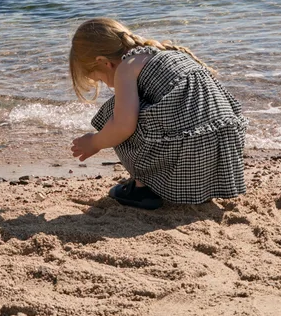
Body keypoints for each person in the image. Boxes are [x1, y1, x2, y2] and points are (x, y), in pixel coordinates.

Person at [68, 18, 247, 209]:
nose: (107, 85)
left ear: (103, 62)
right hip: (224, 148)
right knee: (151, 108)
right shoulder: (166, 53)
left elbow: (123, 126)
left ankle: (143, 188)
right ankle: (196, 187)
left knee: (114, 112)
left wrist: (94, 142)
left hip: (191, 150)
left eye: (101, 79)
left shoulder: (127, 67)